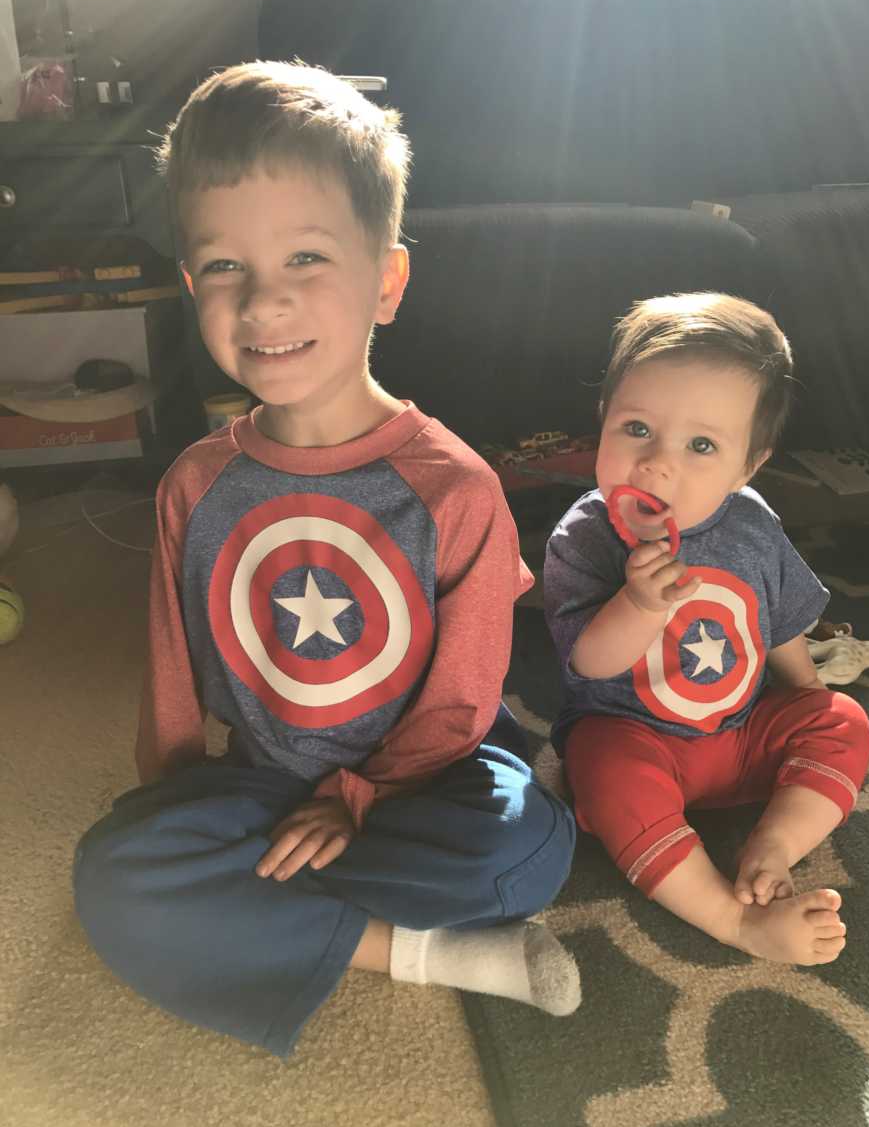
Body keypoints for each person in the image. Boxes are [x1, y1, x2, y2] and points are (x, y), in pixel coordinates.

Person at [73, 61, 580, 1058]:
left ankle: (277, 915)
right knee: (113, 870)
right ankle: (425, 951)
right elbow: (172, 677)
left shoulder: (456, 489)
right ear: (190, 285)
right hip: (265, 786)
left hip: (421, 784)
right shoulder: (193, 485)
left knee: (533, 842)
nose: (263, 302)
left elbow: (462, 700)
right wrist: (169, 805)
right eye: (224, 267)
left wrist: (356, 802)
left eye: (306, 258)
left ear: (385, 282)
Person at [543, 293, 869, 966]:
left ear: (747, 465)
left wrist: (806, 689)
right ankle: (732, 920)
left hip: (742, 731)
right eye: (637, 429)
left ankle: (774, 843)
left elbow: (775, 615)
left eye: (701, 446)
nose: (659, 465)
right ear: (603, 421)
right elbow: (589, 663)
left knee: (843, 718)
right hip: (635, 738)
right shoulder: (586, 537)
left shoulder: (751, 522)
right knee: (602, 772)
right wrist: (637, 604)